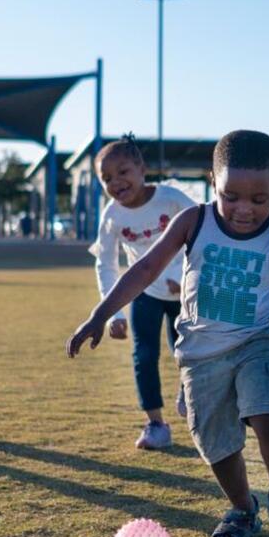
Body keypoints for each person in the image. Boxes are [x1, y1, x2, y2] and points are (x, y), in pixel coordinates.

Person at [68, 130, 269, 537]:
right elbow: (146, 269)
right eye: (232, 196)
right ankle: (241, 508)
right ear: (213, 182)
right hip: (200, 353)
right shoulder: (193, 221)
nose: (244, 210)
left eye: (258, 199)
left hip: (259, 341)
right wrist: (101, 314)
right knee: (216, 441)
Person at [88, 134, 196, 451]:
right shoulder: (112, 216)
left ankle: (188, 393)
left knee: (189, 353)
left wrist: (183, 277)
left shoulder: (172, 199)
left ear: (141, 169)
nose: (116, 182)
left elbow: (205, 237)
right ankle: (155, 425)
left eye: (123, 172)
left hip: (187, 293)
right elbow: (105, 265)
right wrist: (113, 314)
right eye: (106, 178)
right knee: (144, 356)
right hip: (146, 292)